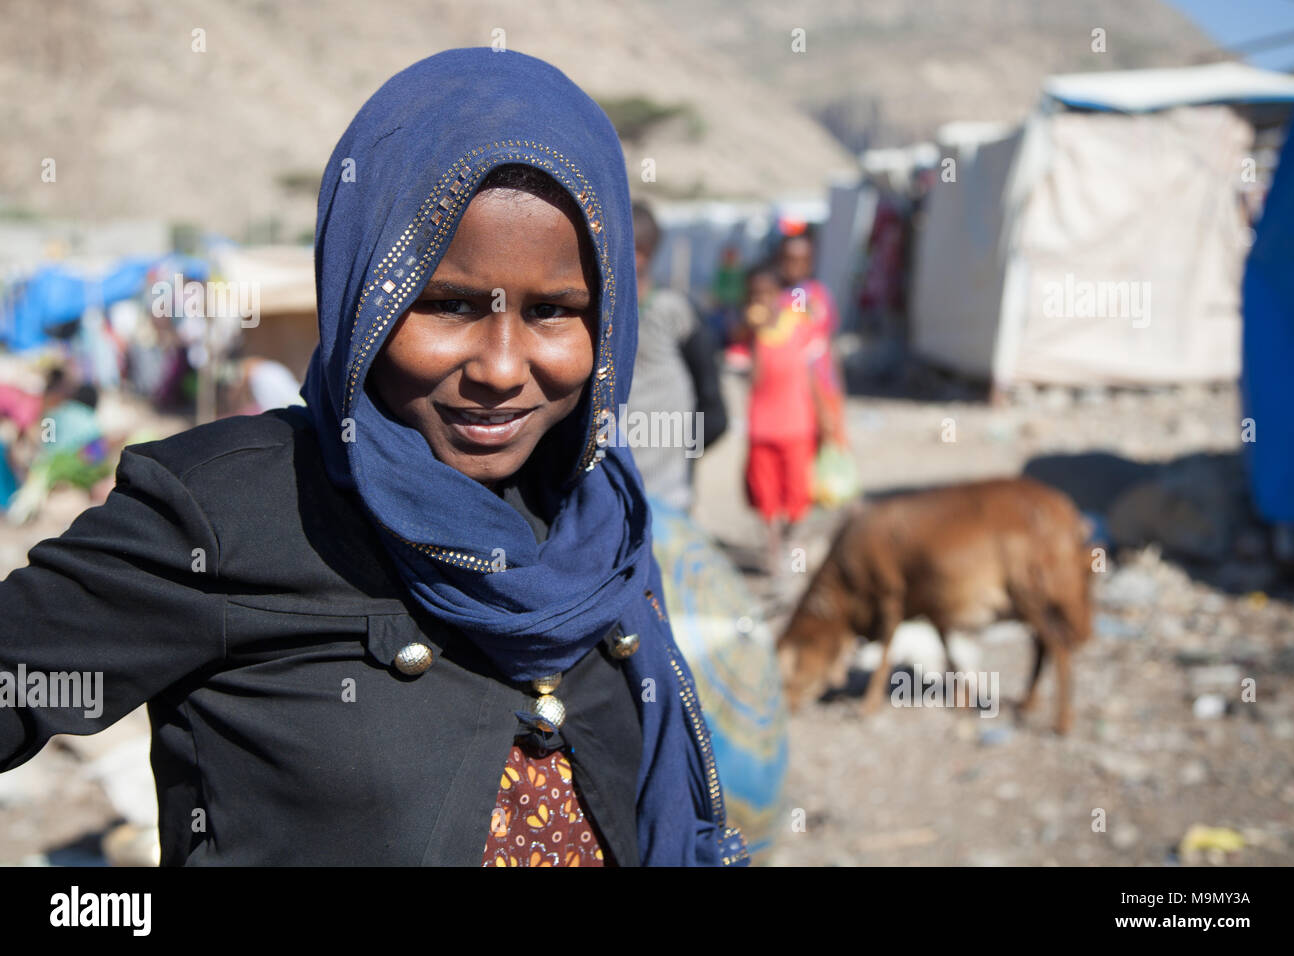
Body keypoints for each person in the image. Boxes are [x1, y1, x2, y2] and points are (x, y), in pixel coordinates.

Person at [0, 48, 746, 868]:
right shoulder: (226, 513)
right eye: (448, 304)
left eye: (554, 311)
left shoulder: (601, 524)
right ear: (364, 291)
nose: (501, 368)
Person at [624, 201, 726, 513]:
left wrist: (674, 451)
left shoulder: (674, 315)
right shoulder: (594, 314)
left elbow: (715, 414)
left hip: (665, 498)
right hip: (610, 493)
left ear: (639, 254)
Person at [738, 265, 829, 575]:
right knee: (766, 497)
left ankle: (791, 548)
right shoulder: (751, 333)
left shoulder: (799, 326)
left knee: (796, 495)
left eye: (766, 293)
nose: (761, 299)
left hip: (797, 425)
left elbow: (816, 374)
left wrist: (826, 419)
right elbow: (749, 373)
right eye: (755, 294)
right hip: (762, 426)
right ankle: (774, 554)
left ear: (778, 295)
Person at [776, 230, 847, 447]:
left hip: (824, 386)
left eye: (802, 260)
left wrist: (838, 391)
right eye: (790, 260)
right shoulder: (776, 299)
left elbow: (829, 343)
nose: (796, 266)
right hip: (791, 393)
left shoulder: (820, 295)